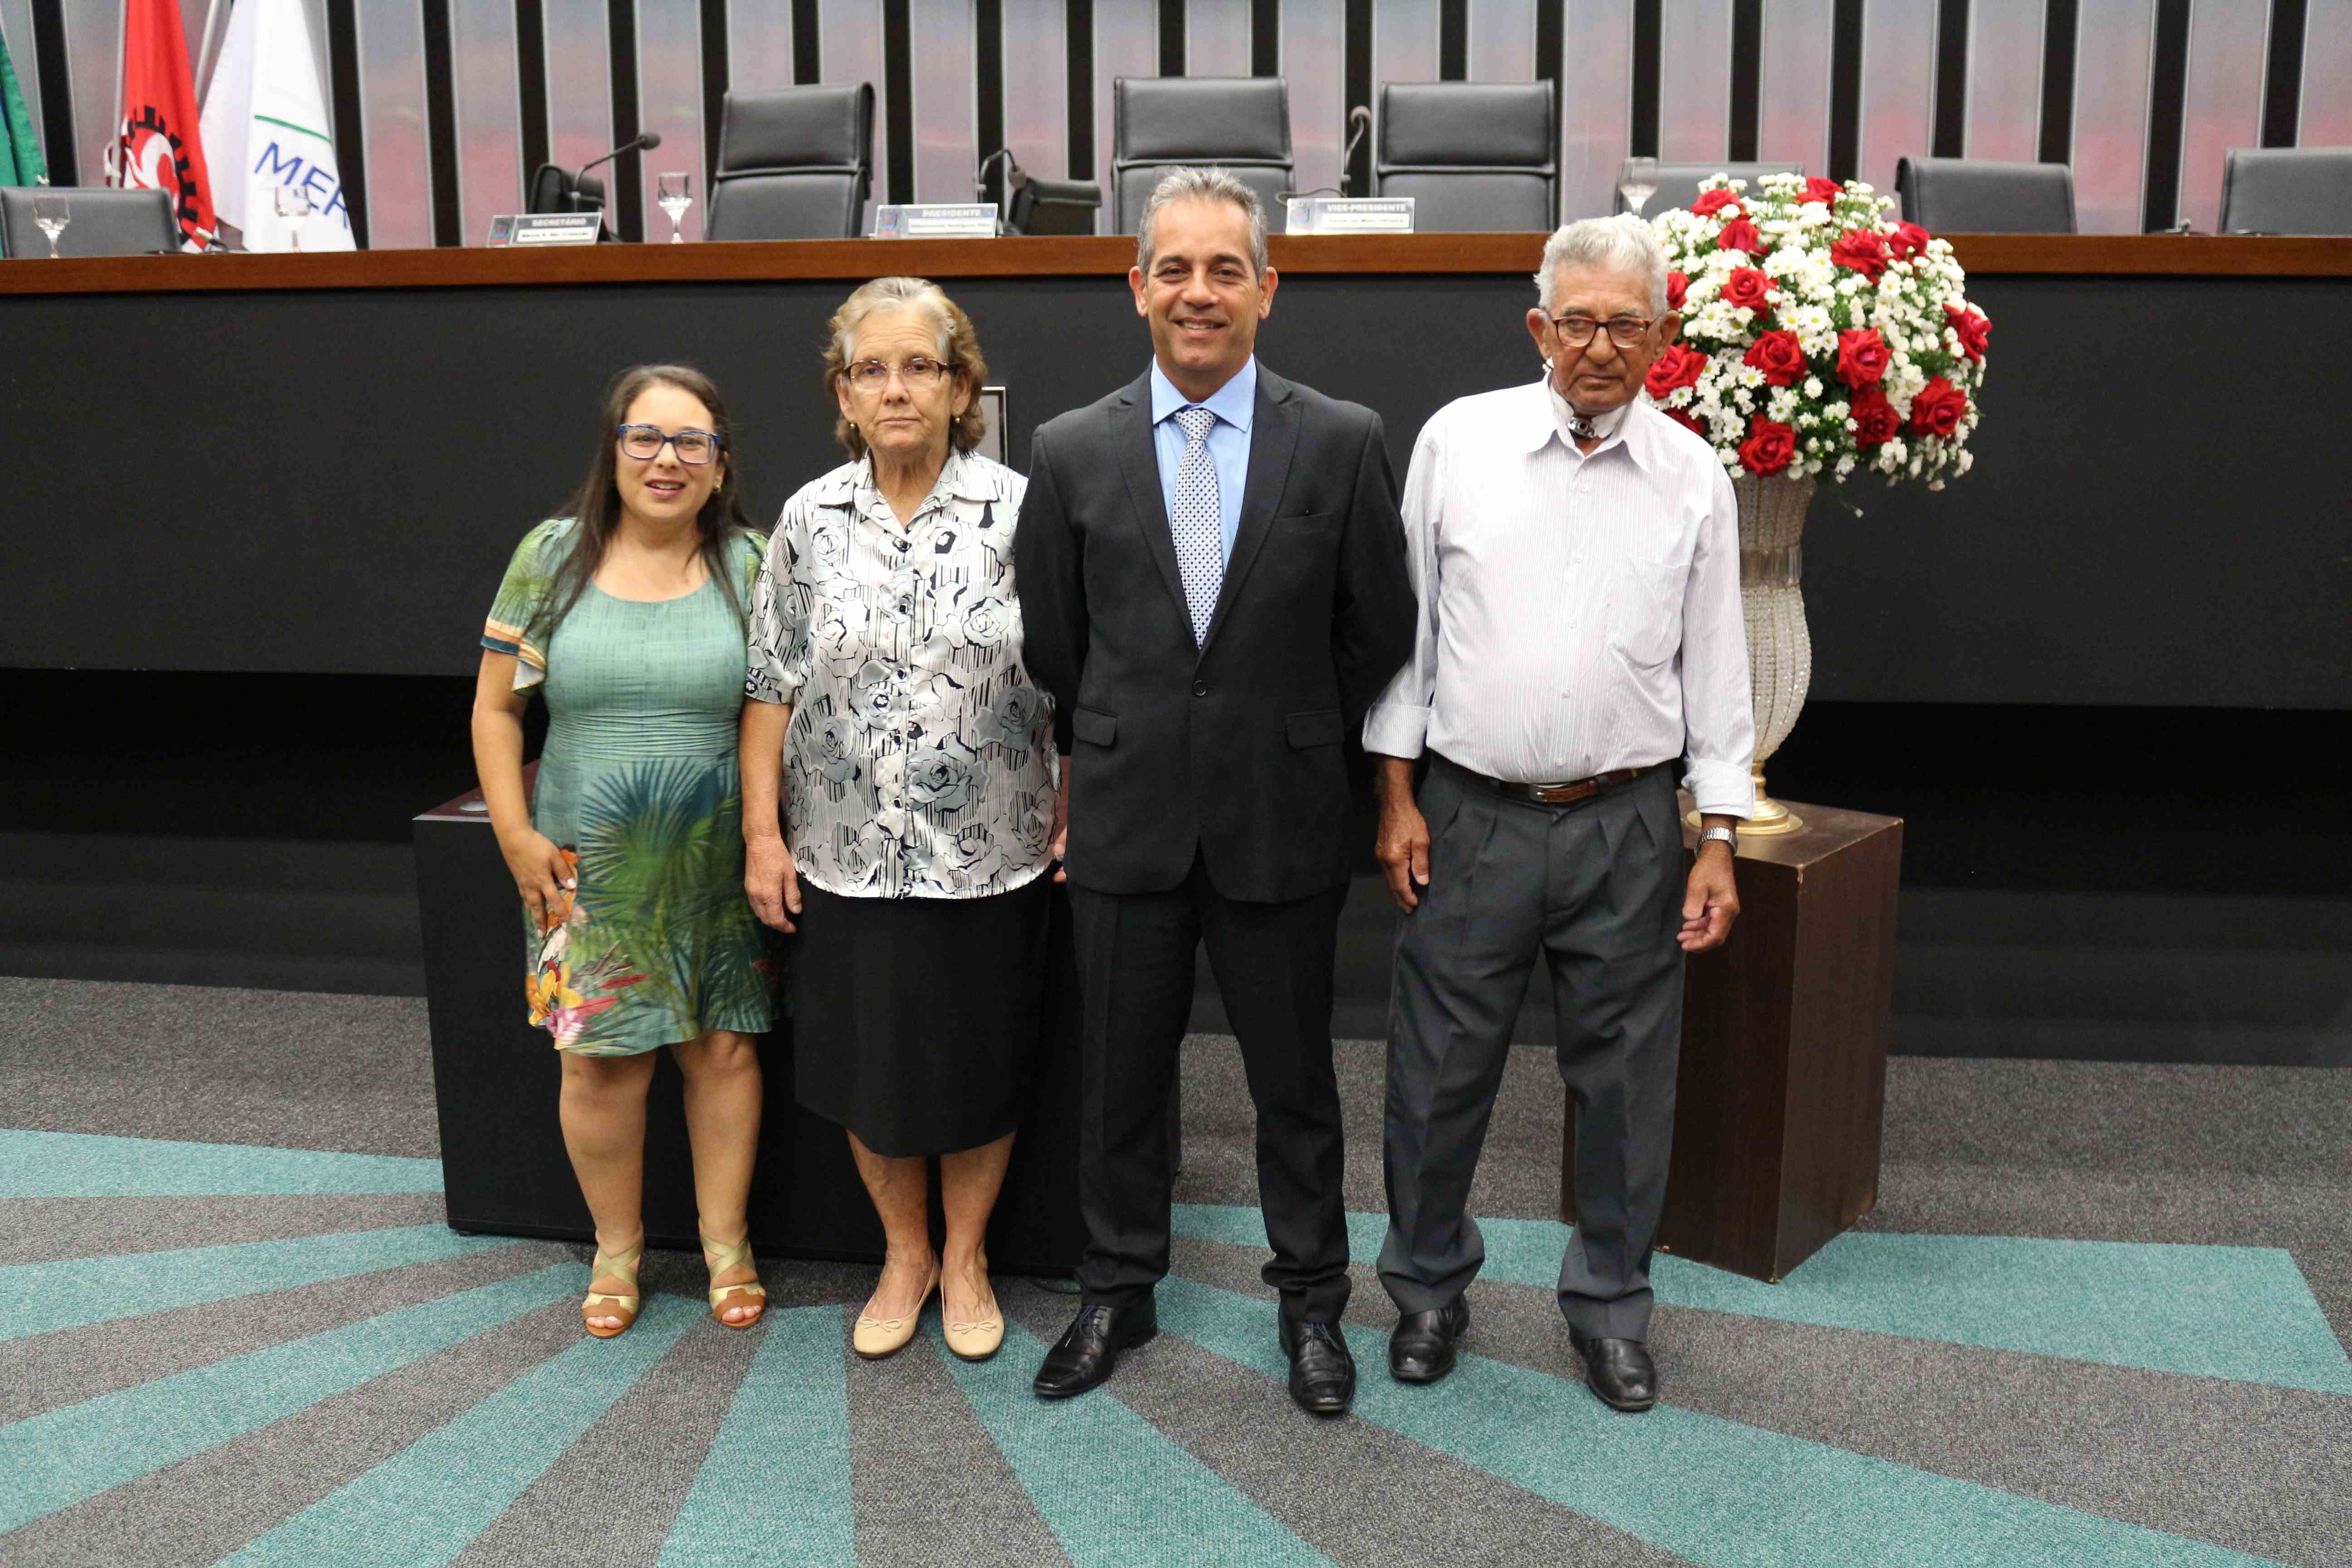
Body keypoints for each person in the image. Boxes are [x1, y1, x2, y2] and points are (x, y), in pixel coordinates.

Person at [1014, 167, 1416, 1414]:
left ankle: (1312, 1305)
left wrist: (1279, 724)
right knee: (1118, 1084)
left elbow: (1379, 624)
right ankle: (1116, 1290)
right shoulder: (1069, 449)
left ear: (1267, 289)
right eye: (1176, 270)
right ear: (1137, 287)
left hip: (1278, 819)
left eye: (1225, 270)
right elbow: (1056, 643)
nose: (1200, 293)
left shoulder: (1340, 438)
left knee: (1294, 1087)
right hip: (1127, 817)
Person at [1363, 215, 1754, 1412]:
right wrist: (1396, 794)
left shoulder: (1693, 477)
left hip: (1628, 826)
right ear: (1539, 327)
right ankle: (1427, 1291)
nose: (1598, 346)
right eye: (1576, 322)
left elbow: (1717, 666)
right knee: (1437, 1077)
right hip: (1468, 815)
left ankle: (1611, 1309)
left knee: (1626, 1088)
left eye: (1625, 325)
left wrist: (1720, 837)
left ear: (1662, 337)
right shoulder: (1459, 443)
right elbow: (1408, 634)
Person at [740, 276, 1056, 1365]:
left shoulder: (1025, 511)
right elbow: (771, 683)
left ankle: (967, 1257)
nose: (895, 388)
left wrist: (1084, 803)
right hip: (846, 849)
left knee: (980, 1063)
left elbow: (1083, 673)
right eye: (870, 370)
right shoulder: (808, 520)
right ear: (843, 394)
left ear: (961, 387)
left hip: (994, 852)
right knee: (868, 1068)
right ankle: (906, 1254)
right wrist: (762, 836)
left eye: (919, 366)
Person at [474, 363, 777, 1339]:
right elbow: (495, 711)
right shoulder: (551, 555)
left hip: (715, 859)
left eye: (692, 442)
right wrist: (514, 835)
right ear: (613, 452)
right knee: (599, 1066)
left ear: (721, 465)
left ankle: (727, 1245)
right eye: (645, 438)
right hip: (583, 868)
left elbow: (777, 711)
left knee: (722, 1050)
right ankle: (617, 1250)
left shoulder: (753, 564)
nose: (666, 460)